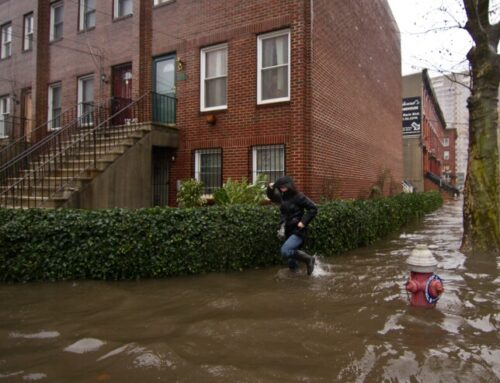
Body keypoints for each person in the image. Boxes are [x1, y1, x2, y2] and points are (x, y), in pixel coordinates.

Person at [267, 176, 318, 275]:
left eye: (283, 186)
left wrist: (303, 222)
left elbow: (313, 209)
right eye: (280, 186)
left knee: (285, 251)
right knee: (291, 263)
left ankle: (309, 259)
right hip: (287, 230)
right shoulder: (282, 196)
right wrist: (270, 188)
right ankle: (296, 280)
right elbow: (272, 196)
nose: (282, 188)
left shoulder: (299, 196)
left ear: (289, 185)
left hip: (298, 231)